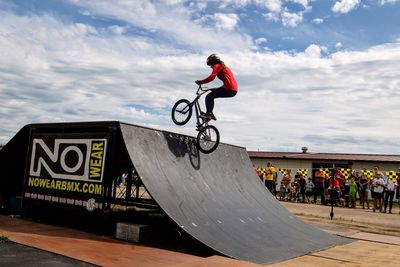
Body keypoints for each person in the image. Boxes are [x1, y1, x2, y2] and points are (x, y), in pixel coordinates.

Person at [195, 54, 238, 120]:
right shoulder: (224, 67)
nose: (211, 67)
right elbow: (228, 82)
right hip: (233, 90)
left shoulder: (217, 66)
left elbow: (211, 77)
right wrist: (216, 89)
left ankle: (209, 114)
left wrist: (201, 82)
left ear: (213, 61)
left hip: (229, 89)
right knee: (212, 94)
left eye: (210, 64)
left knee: (209, 97)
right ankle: (210, 114)